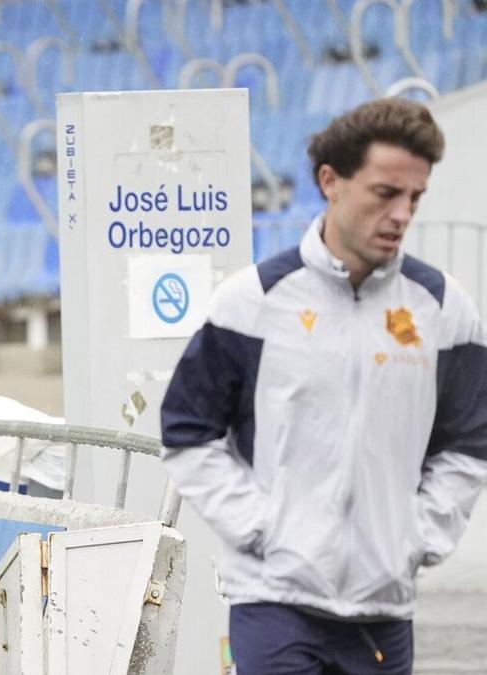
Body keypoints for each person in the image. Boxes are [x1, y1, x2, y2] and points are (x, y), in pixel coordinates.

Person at [161, 97, 487, 674]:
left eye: (415, 197)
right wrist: (264, 528)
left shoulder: (442, 307)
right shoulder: (254, 300)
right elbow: (188, 433)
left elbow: (469, 442)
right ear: (330, 181)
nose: (401, 214)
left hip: (382, 606)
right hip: (273, 597)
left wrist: (417, 538)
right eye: (386, 193)